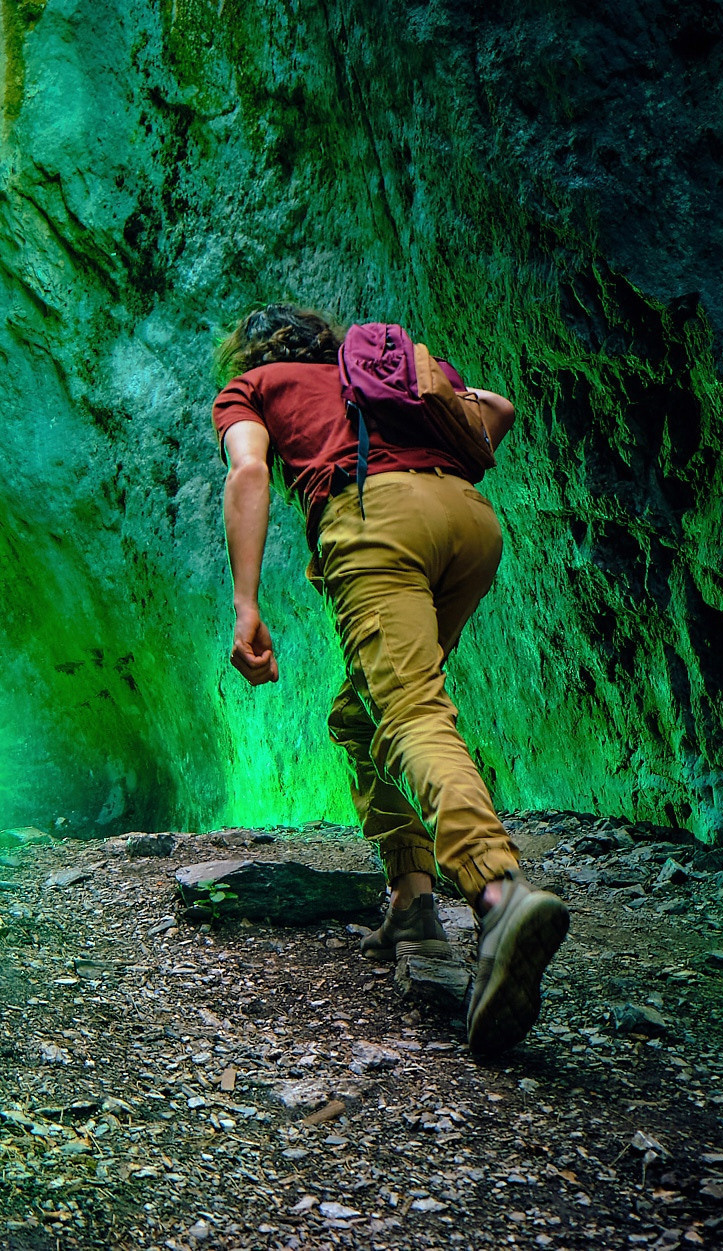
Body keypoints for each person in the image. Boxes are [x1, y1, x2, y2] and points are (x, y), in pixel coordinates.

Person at [210, 304, 568, 1059]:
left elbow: (248, 469)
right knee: (363, 714)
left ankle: (498, 894)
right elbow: (497, 410)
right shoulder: (379, 368)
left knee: (409, 712)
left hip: (376, 517)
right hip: (469, 519)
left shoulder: (253, 386)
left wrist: (245, 604)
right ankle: (412, 902)